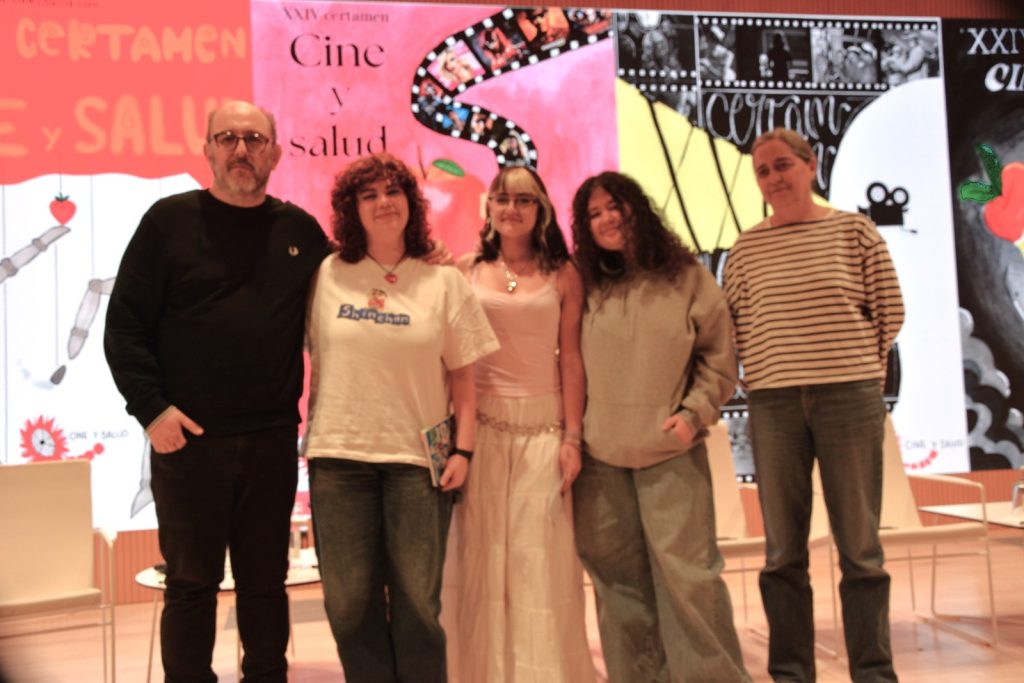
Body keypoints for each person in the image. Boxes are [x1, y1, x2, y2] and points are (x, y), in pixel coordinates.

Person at [104, 100, 331, 682]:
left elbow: (353, 291)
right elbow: (125, 328)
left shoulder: (299, 232)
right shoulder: (168, 222)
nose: (240, 150)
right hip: (188, 442)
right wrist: (153, 412)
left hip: (271, 440)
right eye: (227, 138)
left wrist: (423, 263)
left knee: (265, 585)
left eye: (254, 139)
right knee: (190, 585)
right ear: (207, 149)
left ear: (274, 153)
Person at [303, 153, 499, 683]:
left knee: (417, 604)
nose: (383, 202)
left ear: (412, 202)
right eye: (368, 195)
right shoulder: (326, 274)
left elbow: (464, 378)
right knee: (347, 604)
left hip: (417, 463)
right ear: (352, 209)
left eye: (393, 191)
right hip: (338, 458)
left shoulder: (444, 280)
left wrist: (463, 450)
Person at [723, 127, 903, 683]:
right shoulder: (745, 249)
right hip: (774, 405)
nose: (773, 178)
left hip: (849, 398)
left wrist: (857, 368)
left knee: (861, 550)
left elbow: (889, 311)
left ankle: (874, 673)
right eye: (763, 171)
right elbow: (736, 326)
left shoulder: (855, 232)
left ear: (810, 166)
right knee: (782, 553)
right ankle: (791, 674)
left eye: (783, 165)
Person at [570, 171, 751, 683]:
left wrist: (693, 416)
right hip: (600, 462)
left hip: (671, 454)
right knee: (618, 589)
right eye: (594, 214)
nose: (607, 219)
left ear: (638, 209)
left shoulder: (685, 276)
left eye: (615, 206)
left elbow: (719, 358)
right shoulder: (584, 283)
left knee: (690, 581)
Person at [451, 167, 596, 682]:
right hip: (483, 433)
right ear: (489, 206)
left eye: (524, 199)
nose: (511, 208)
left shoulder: (564, 274)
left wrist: (572, 436)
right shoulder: (464, 269)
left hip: (544, 434)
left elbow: (571, 359)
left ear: (542, 210)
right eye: (502, 198)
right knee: (483, 564)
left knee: (542, 565)